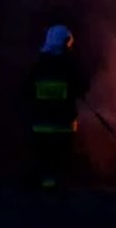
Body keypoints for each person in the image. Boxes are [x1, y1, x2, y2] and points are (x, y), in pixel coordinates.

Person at [27, 25, 90, 189]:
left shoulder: (36, 68)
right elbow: (82, 88)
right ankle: (58, 196)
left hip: (40, 128)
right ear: (65, 43)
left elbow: (26, 92)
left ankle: (45, 194)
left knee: (45, 164)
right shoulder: (69, 68)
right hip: (63, 128)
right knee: (60, 164)